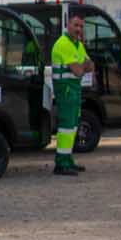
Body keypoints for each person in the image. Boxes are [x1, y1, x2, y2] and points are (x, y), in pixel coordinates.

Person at [50, 15, 95, 176]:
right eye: (76, 25)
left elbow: (91, 66)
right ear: (68, 25)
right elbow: (79, 70)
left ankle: (67, 159)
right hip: (66, 90)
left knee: (73, 126)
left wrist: (82, 66)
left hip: (74, 89)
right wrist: (82, 66)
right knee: (66, 127)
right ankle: (61, 163)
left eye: (81, 26)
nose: (79, 29)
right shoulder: (64, 44)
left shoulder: (77, 44)